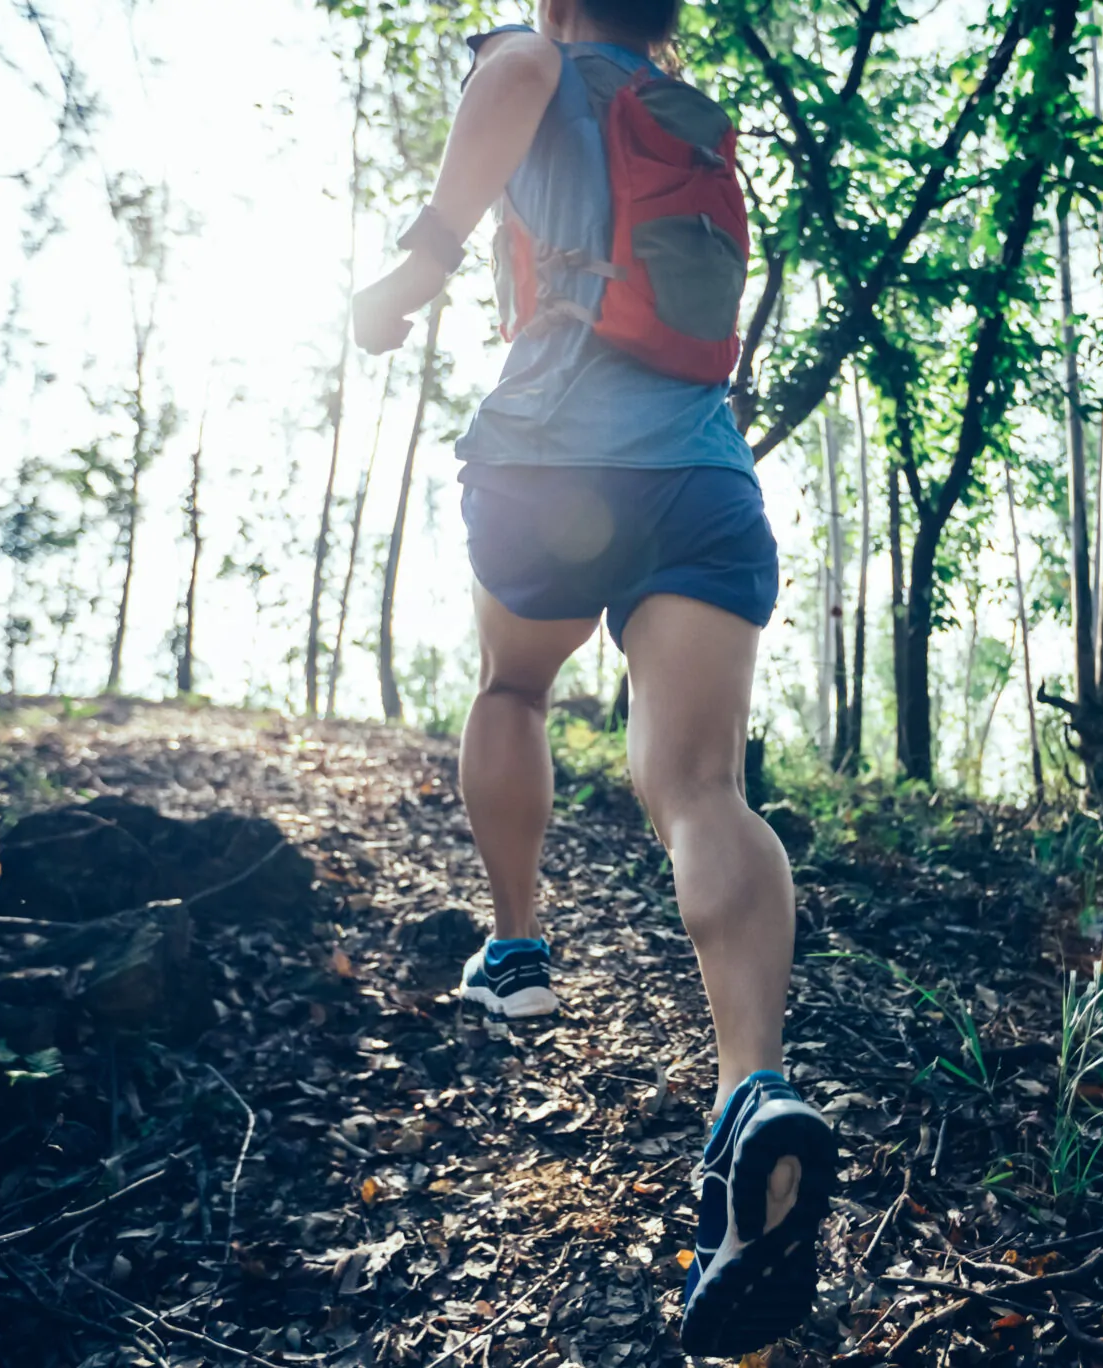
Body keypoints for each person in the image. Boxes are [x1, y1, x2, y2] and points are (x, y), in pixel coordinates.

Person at [349, 0, 834, 1355]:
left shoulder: (534, 56)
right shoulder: (692, 118)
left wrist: (405, 278)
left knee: (513, 690)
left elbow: (502, 92)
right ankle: (753, 1091)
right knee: (698, 786)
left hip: (552, 458)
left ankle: (516, 946)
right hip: (704, 475)